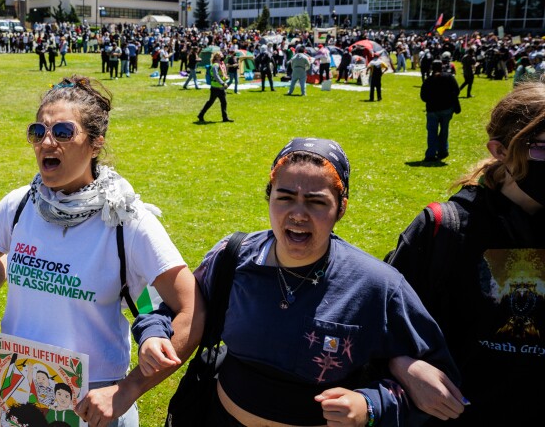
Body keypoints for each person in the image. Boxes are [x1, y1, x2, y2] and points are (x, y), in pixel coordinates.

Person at [133, 138, 463, 427]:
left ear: (341, 208)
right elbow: (176, 306)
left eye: (317, 202)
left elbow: (438, 386)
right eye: (285, 197)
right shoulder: (232, 257)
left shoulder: (379, 285)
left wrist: (370, 407)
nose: (298, 214)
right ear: (269, 197)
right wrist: (152, 334)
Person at [0, 76, 201, 427]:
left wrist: (128, 390)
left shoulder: (126, 219)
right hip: (16, 390)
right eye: (38, 132)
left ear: (96, 144)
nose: (47, 142)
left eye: (64, 132)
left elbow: (192, 310)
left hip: (93, 401)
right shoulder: (19, 205)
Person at [388, 83, 545, 425]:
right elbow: (379, 323)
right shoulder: (446, 228)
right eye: (543, 149)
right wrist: (402, 365)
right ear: (500, 150)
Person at [420, 61, 461, 161]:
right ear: (442, 67)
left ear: (431, 68)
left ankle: (431, 153)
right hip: (447, 108)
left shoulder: (429, 80)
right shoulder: (449, 77)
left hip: (432, 109)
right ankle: (443, 151)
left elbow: (423, 96)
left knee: (432, 132)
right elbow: (457, 91)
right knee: (444, 130)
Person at [198, 52, 233, 123]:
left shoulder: (220, 64)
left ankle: (225, 118)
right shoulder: (215, 65)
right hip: (215, 87)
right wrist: (223, 83)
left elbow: (220, 75)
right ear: (217, 57)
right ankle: (201, 114)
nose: (223, 56)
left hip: (220, 87)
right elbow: (216, 75)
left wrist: (224, 78)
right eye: (221, 55)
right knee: (210, 102)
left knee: (224, 102)